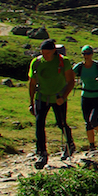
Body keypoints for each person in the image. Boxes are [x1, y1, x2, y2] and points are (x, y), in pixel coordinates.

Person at [27, 39, 76, 168]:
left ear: (54, 51)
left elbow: (71, 81)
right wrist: (31, 102)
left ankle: (70, 143)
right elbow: (32, 83)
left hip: (58, 97)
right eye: (43, 53)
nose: (46, 56)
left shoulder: (63, 61)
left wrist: (64, 96)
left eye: (48, 53)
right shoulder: (37, 62)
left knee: (61, 123)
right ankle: (42, 153)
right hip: (41, 97)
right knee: (39, 124)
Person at [73, 44, 98, 149]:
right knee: (88, 123)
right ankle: (91, 146)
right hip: (85, 97)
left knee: (93, 120)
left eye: (88, 53)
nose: (86, 56)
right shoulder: (79, 67)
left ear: (92, 54)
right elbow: (68, 76)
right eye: (84, 54)